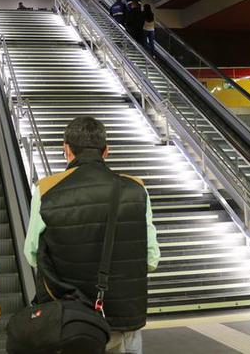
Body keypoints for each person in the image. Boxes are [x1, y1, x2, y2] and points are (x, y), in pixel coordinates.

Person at [24, 116, 159, 354]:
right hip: (125, 317)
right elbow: (151, 258)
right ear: (106, 151)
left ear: (66, 149)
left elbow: (32, 254)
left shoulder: (45, 190)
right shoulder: (136, 189)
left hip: (71, 321)